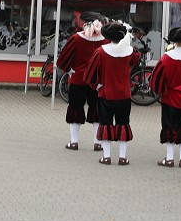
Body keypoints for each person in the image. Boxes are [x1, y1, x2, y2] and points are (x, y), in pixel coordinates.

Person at [84, 21, 140, 166]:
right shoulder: (130, 51)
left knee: (106, 124)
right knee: (123, 124)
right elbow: (136, 60)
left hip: (105, 94)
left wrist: (95, 85)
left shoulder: (101, 52)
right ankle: (122, 157)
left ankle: (107, 157)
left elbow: (90, 73)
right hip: (124, 95)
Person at [57, 12, 107, 151]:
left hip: (78, 79)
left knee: (75, 109)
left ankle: (74, 142)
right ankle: (97, 142)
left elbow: (62, 60)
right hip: (97, 82)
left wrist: (70, 70)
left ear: (84, 23)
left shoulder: (76, 38)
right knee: (97, 110)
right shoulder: (105, 41)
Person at [150, 28, 181, 168]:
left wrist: (161, 92)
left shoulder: (166, 57)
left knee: (169, 127)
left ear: (174, 41)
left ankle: (169, 158)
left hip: (170, 98)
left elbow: (156, 77)